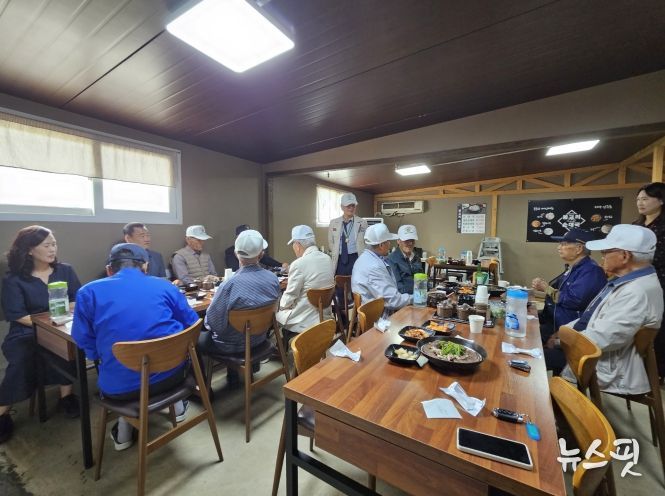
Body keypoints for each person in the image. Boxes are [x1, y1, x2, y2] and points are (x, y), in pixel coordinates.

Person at [72, 243, 198, 450]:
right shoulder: (165, 286)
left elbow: (84, 340)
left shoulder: (88, 292)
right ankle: (177, 406)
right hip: (173, 377)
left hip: (121, 389)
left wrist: (103, 356)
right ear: (145, 267)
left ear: (109, 269)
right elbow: (192, 324)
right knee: (165, 357)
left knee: (120, 369)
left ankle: (124, 431)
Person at [0, 226, 81, 444]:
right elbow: (19, 315)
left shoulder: (65, 270)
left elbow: (76, 299)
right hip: (26, 330)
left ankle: (66, 396)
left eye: (54, 244)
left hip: (62, 326)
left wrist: (61, 317)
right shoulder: (14, 279)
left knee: (66, 346)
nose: (52, 249)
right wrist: (51, 320)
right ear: (29, 250)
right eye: (46, 245)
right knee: (21, 359)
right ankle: (3, 412)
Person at [560, 225, 663, 394]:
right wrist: (565, 331)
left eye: (605, 252)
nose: (602, 257)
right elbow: (590, 317)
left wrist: (562, 337)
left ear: (625, 256)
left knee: (534, 360)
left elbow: (603, 338)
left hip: (602, 366)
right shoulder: (629, 281)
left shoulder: (636, 291)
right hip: (596, 354)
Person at [200, 230, 280, 386]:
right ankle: (237, 375)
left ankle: (204, 391)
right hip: (260, 338)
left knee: (197, 338)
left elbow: (213, 323)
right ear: (261, 254)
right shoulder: (272, 278)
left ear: (236, 254)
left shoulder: (229, 284)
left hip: (232, 345)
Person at [531, 228, 607, 374]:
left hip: (570, 336)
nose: (559, 247)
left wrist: (546, 288)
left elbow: (573, 300)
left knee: (526, 353)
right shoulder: (574, 268)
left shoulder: (591, 271)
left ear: (579, 248)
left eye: (564, 244)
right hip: (555, 324)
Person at [276, 225, 334, 343]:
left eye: (293, 244)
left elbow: (290, 296)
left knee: (276, 314)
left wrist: (280, 306)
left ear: (297, 245)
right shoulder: (327, 258)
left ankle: (284, 346)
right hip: (325, 316)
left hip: (305, 320)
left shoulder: (298, 264)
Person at [633, 182, 665, 378]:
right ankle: (635, 367)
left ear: (661, 200)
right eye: (638, 199)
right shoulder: (635, 226)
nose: (640, 203)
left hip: (659, 282)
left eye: (645, 199)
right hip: (633, 281)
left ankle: (657, 371)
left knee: (656, 327)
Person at [352, 223, 412, 312]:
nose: (390, 244)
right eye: (388, 241)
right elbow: (393, 302)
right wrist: (416, 298)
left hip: (375, 310)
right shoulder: (374, 267)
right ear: (381, 245)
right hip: (379, 317)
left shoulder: (363, 258)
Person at [386, 225, 424, 294]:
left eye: (412, 240)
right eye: (406, 241)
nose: (410, 243)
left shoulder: (416, 257)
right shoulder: (391, 259)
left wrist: (427, 289)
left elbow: (421, 279)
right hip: (405, 298)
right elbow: (398, 287)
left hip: (419, 295)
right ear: (398, 241)